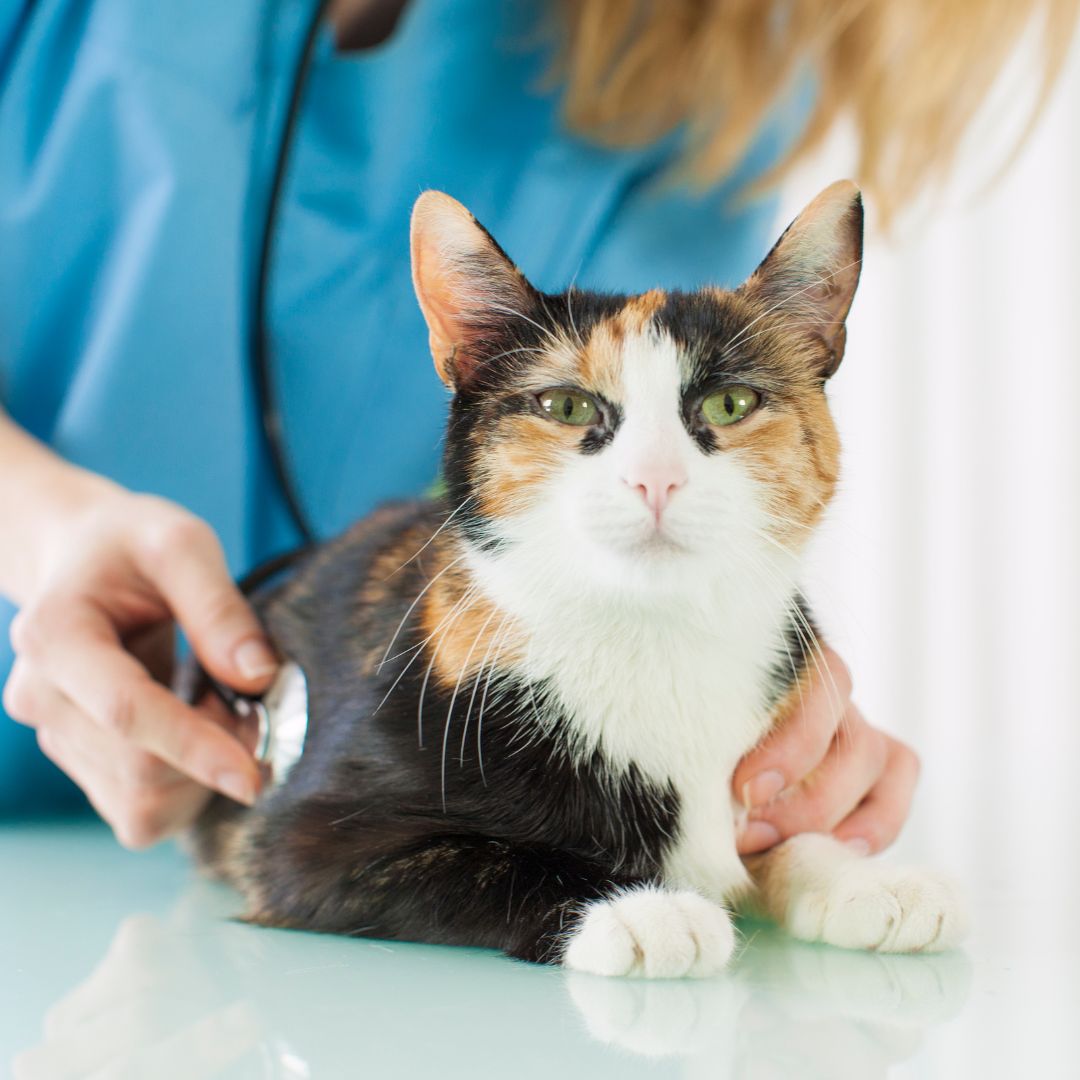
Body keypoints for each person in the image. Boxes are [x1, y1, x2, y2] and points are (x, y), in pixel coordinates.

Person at [0, 0, 1071, 850]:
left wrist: (728, 670)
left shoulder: (706, 53)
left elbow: (624, 487)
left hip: (291, 792)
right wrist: (41, 527)